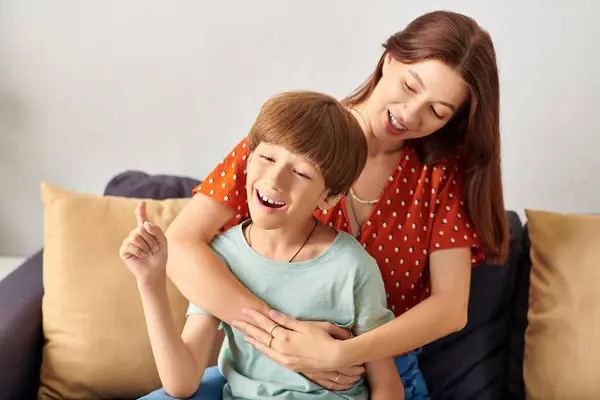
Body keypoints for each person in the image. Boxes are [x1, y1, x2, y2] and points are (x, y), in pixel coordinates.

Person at [165, 9, 508, 399]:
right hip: (257, 368)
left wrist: (338, 354)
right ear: (390, 59)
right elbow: (180, 243)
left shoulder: (439, 175)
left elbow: (450, 308)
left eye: (437, 111)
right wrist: (281, 338)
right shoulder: (298, 133)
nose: (410, 114)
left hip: (379, 377)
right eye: (410, 88)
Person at [123, 91, 406, 399]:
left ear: (329, 197)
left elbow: (387, 386)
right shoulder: (221, 257)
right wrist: (150, 282)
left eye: (300, 172)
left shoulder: (353, 268)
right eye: (268, 158)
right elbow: (181, 383)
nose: (275, 179)